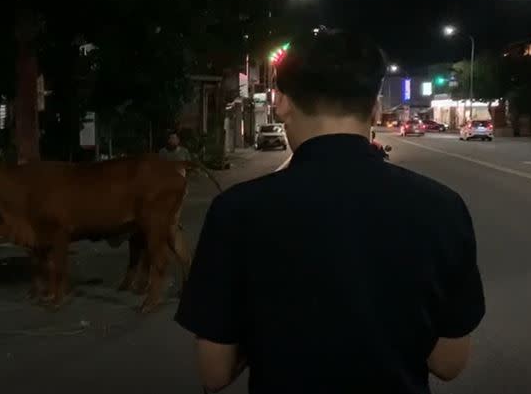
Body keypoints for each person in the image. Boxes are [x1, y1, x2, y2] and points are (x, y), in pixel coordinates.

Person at [175, 29, 485, 393]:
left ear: (282, 102)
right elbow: (449, 363)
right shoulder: (443, 208)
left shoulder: (236, 211)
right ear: (375, 108)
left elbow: (214, 372)